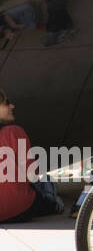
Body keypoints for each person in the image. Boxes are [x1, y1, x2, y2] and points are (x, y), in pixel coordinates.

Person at [0, 90, 65, 222]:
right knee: (42, 188)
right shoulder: (13, 132)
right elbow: (32, 174)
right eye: (7, 103)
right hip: (16, 209)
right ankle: (53, 202)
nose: (12, 106)